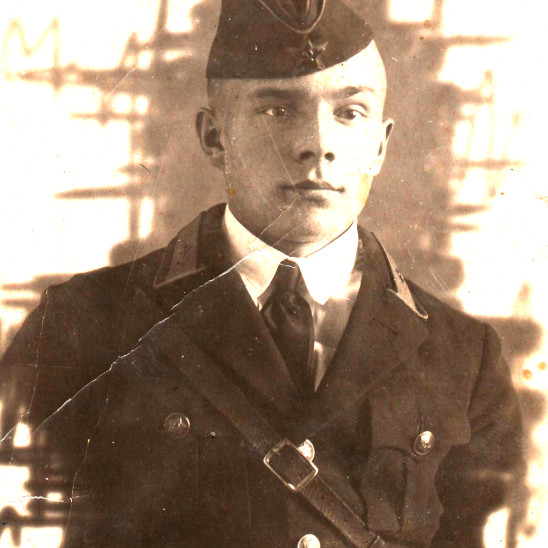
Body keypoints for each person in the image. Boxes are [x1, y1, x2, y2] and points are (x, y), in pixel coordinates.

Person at [0, 1, 522, 546]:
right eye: (277, 110)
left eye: (350, 113)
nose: (318, 145)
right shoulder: (80, 326)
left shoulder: (465, 359)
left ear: (380, 145)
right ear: (214, 138)